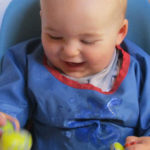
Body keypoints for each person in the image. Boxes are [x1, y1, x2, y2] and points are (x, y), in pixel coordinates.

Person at [0, 0, 150, 149]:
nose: (70, 51)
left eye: (87, 41)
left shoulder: (141, 69)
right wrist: (4, 122)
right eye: (55, 36)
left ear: (120, 32)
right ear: (43, 21)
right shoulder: (24, 62)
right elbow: (8, 106)